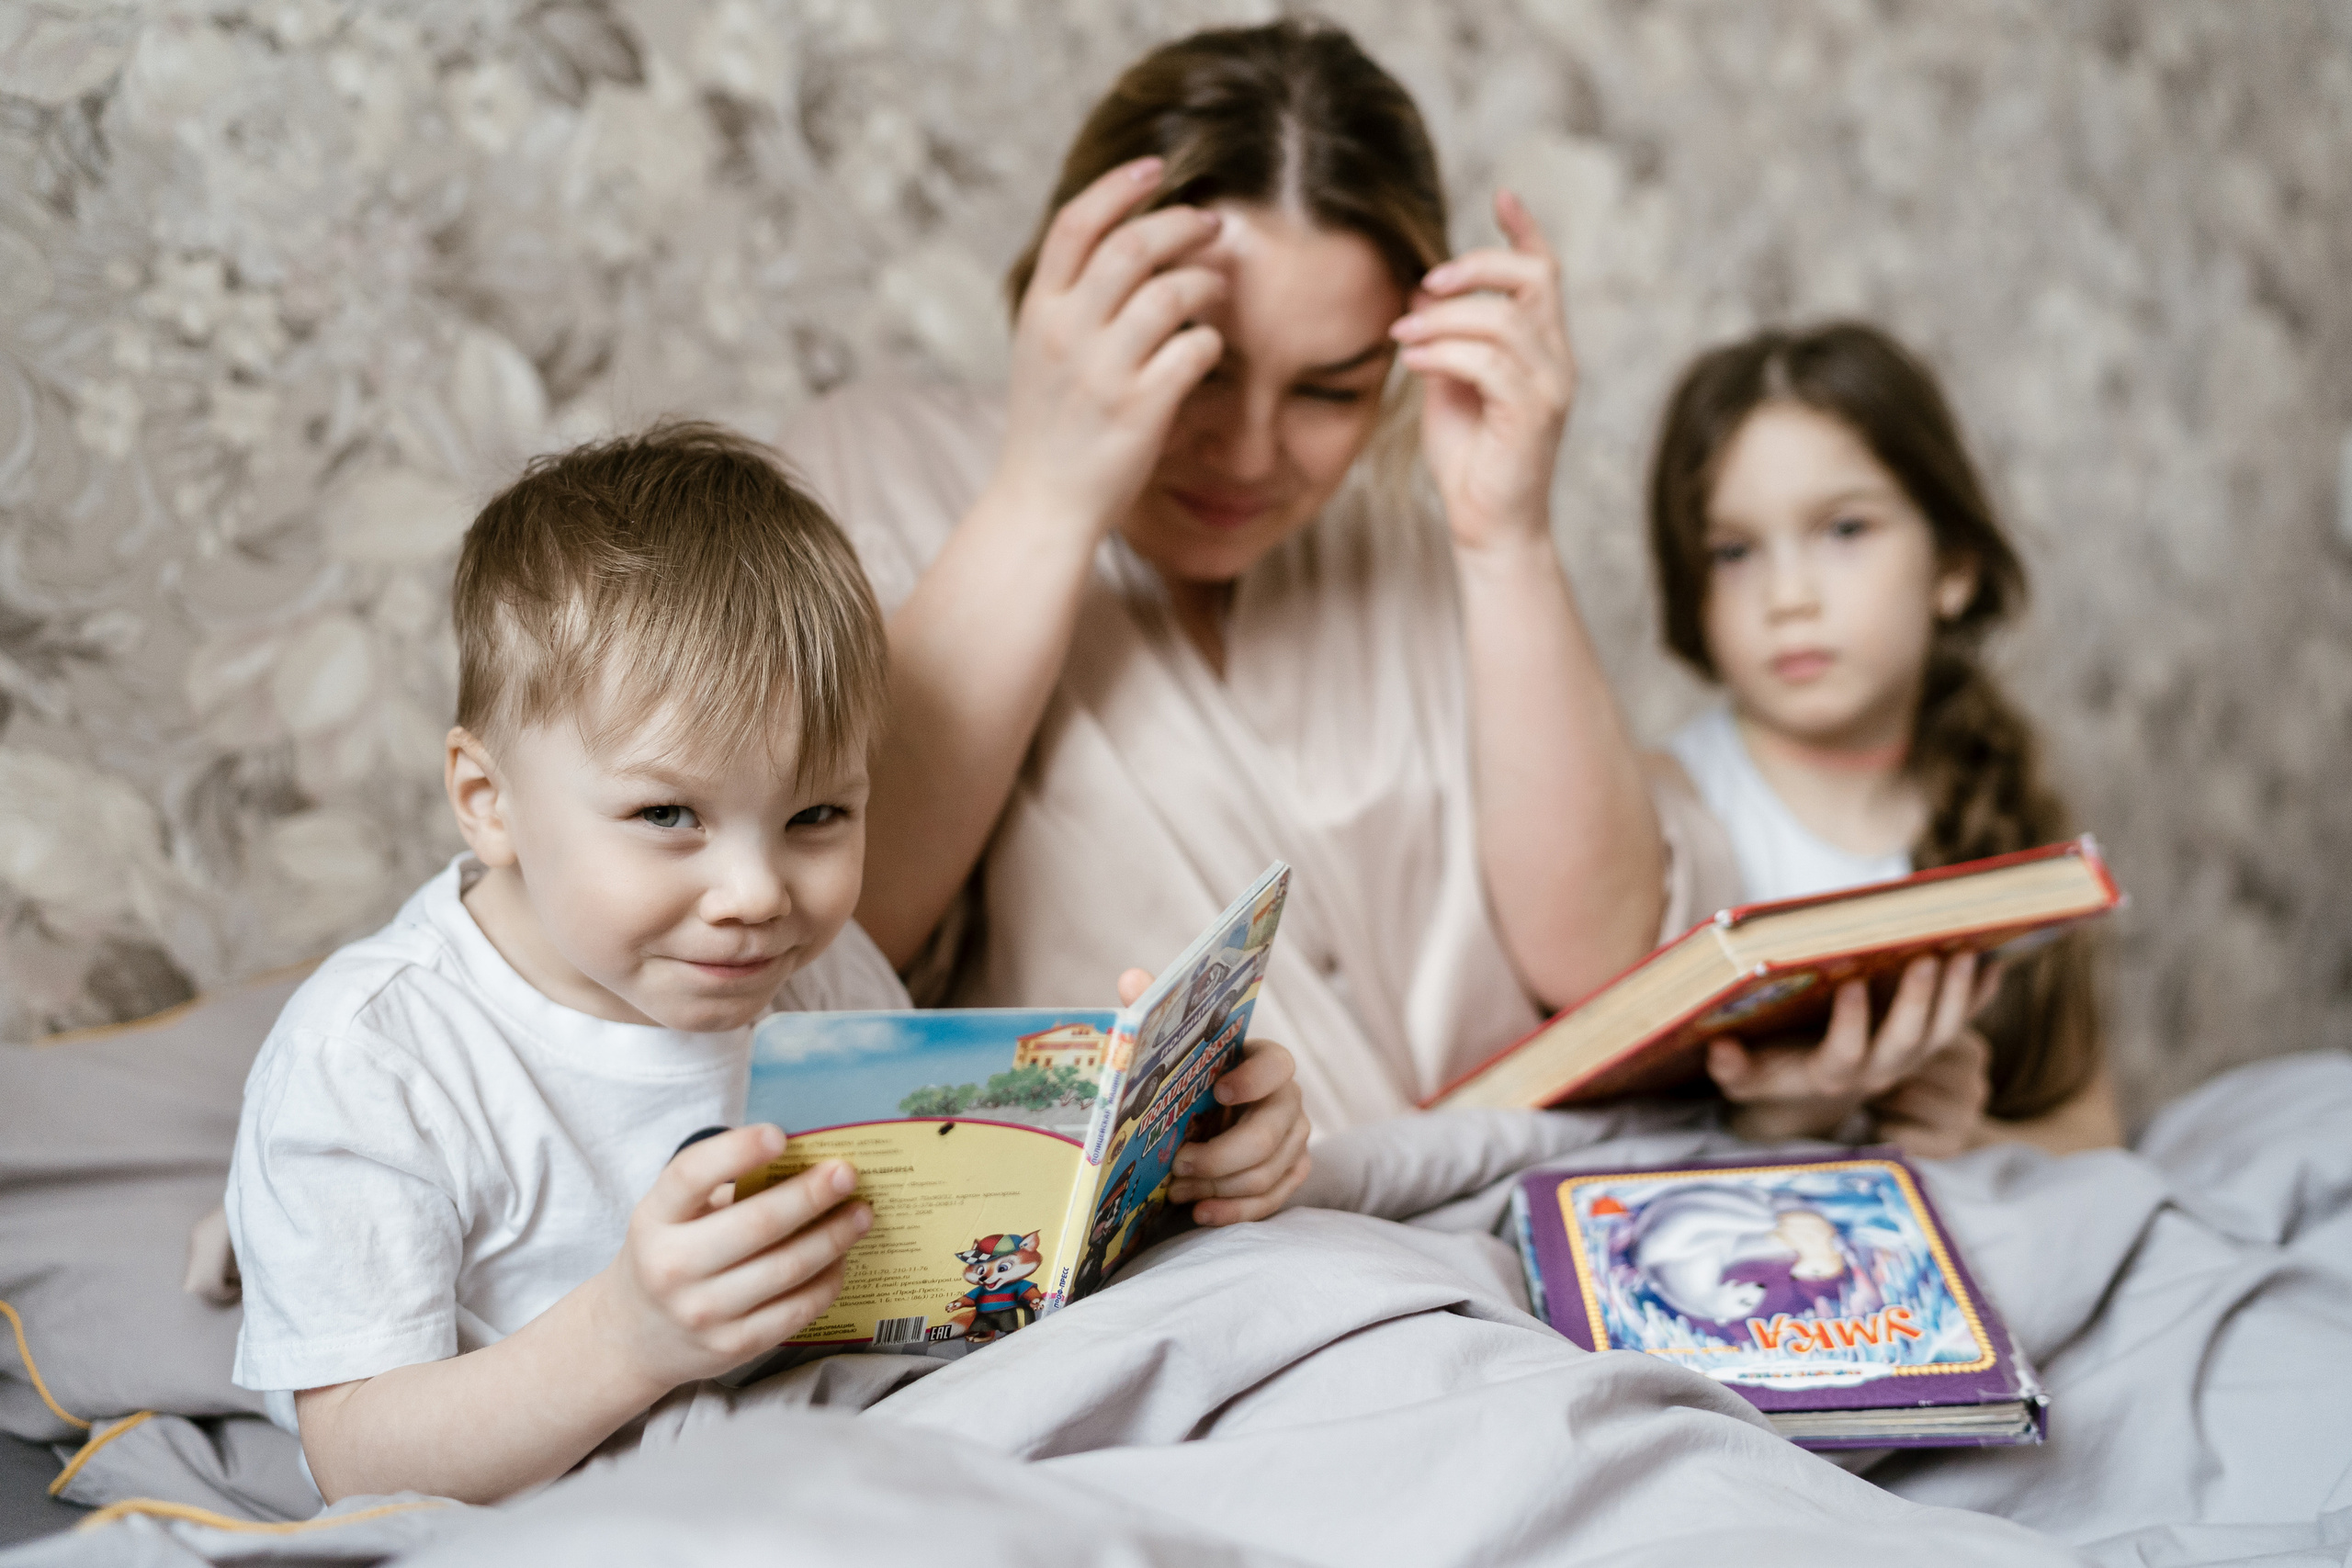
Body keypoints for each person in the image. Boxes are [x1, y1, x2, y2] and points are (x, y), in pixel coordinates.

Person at [222, 424, 1308, 1506]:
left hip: (870, 1442)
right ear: (486, 802)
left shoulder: (815, 977)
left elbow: (946, 1267)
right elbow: (355, 1465)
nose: (759, 896)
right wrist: (625, 1339)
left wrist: (1169, 1157)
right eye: (667, 814)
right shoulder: (377, 1058)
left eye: (817, 813)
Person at [783, 19, 1686, 1134]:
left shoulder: (1413, 538)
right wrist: (1049, 498)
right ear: (1072, 288)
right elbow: (825, 937)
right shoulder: (876, 469)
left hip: (1478, 1212)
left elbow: (1599, 965)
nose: (1251, 455)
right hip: (1174, 1272)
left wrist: (1509, 540)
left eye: (1330, 391)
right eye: (1200, 364)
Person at [1644, 322, 2120, 1156]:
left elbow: (2093, 1133)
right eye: (1733, 550)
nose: (1789, 594)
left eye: (1844, 530)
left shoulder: (2004, 813)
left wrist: (1970, 1138)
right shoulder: (1661, 805)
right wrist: (1778, 1122)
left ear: (1953, 566)